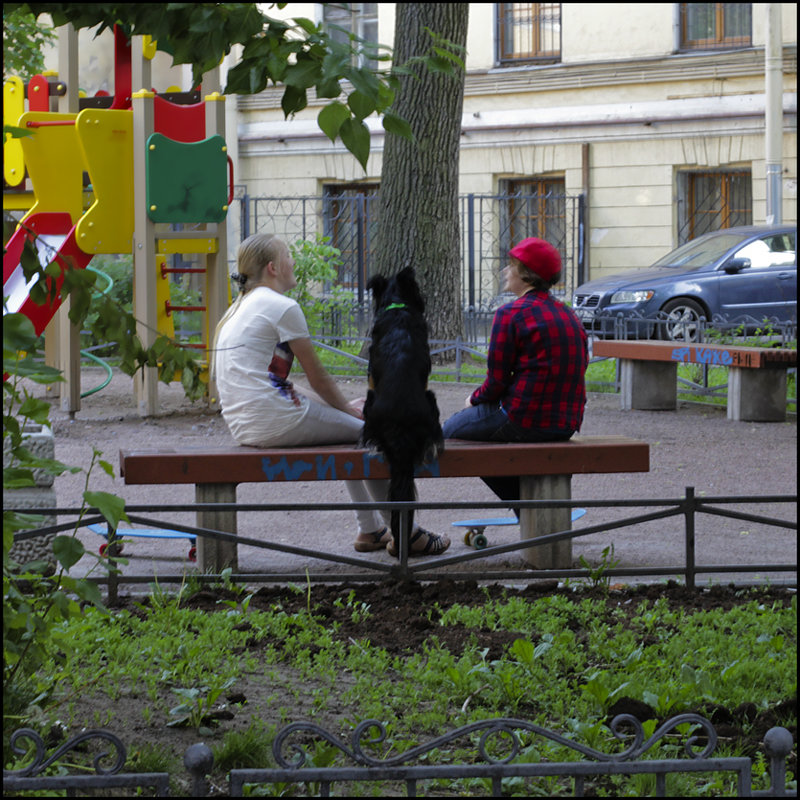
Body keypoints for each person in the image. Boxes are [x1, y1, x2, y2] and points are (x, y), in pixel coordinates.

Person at [212, 233, 450, 555]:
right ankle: (406, 533)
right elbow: (318, 376)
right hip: (275, 419)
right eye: (287, 256)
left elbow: (275, 381)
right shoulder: (282, 306)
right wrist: (348, 411)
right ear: (273, 267)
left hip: (246, 425)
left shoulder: (236, 310)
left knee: (351, 436)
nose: (293, 261)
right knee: (375, 436)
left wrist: (338, 409)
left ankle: (371, 531)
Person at [442, 237, 588, 510]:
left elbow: (496, 381)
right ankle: (535, 503)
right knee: (481, 435)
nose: (504, 272)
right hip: (566, 423)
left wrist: (473, 400)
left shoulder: (510, 313)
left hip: (524, 417)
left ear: (527, 274)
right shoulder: (569, 315)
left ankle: (526, 504)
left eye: (511, 266)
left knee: (452, 433)